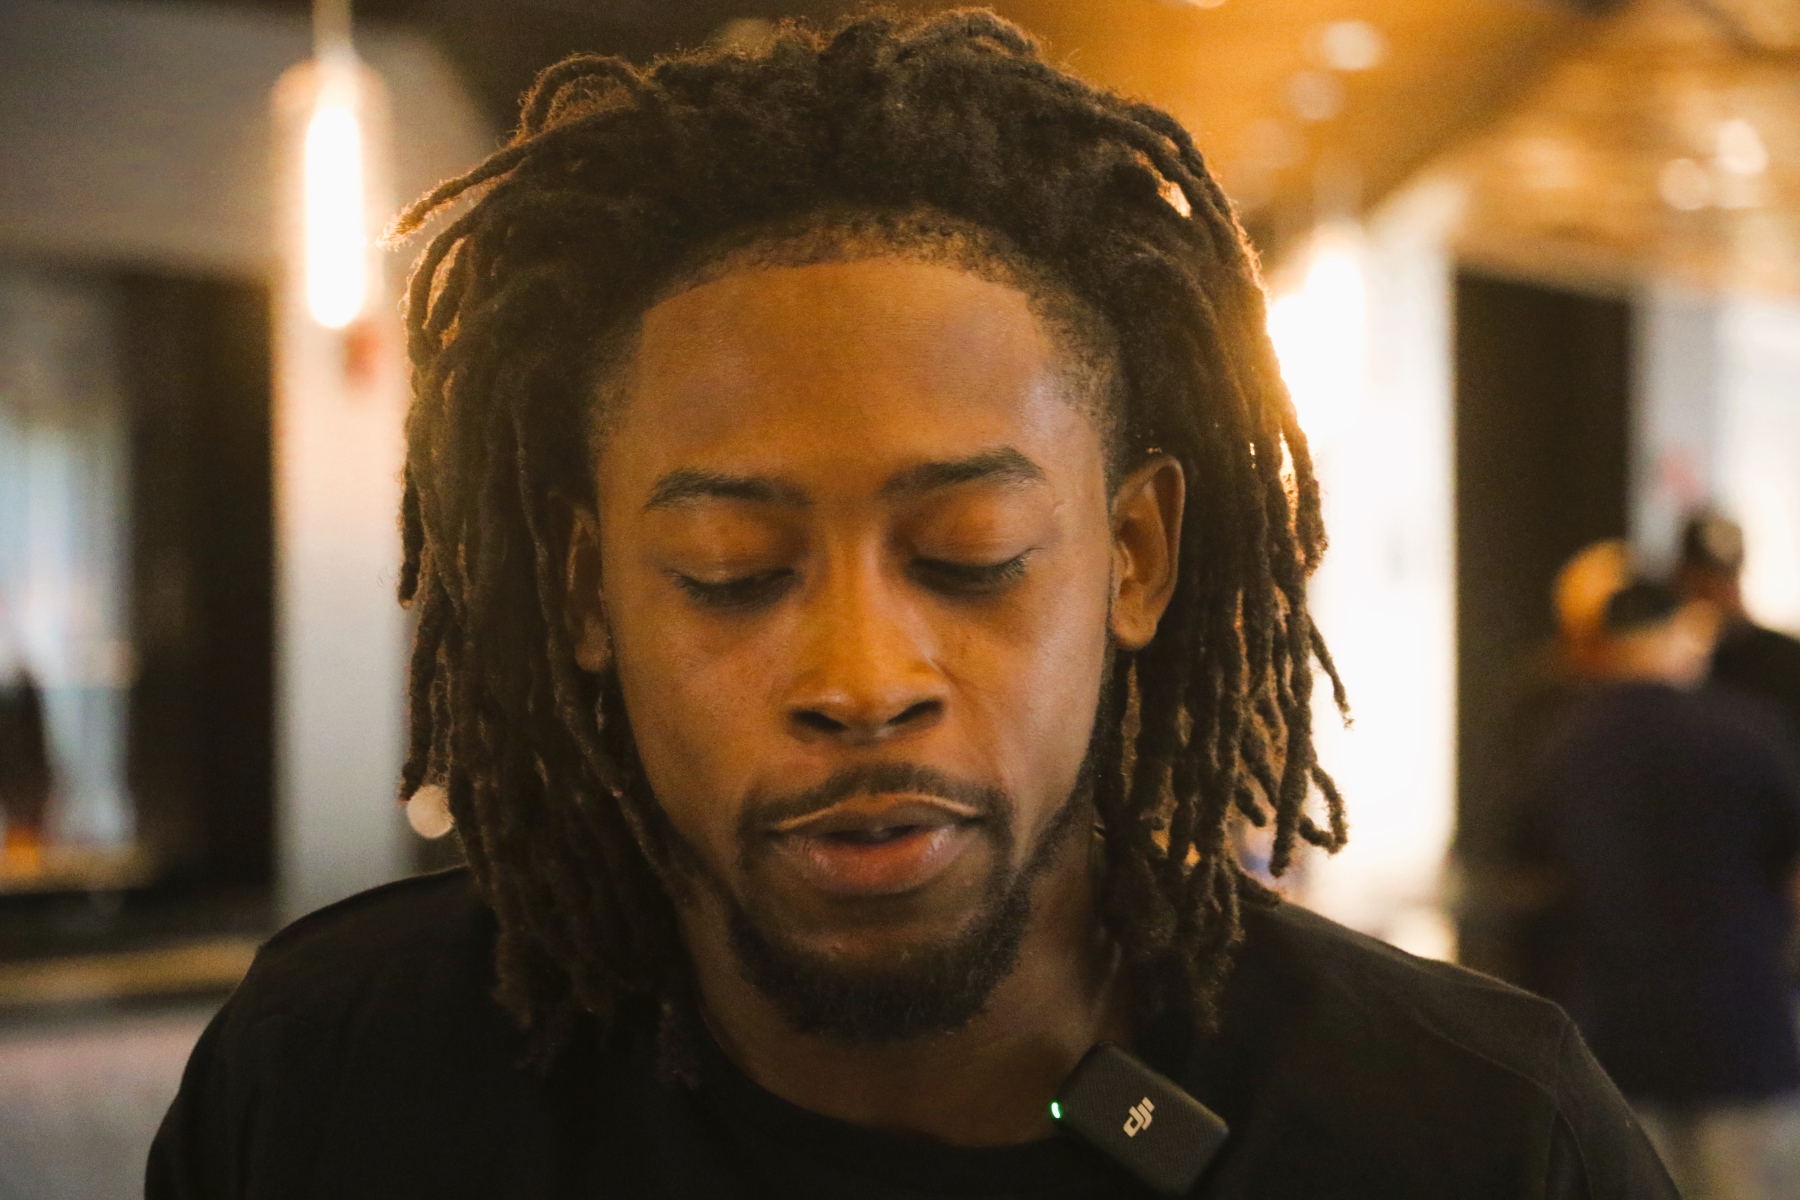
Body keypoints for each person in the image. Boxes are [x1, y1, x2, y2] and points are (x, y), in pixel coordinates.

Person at [148, 13, 1674, 1197]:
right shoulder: (338, 1088)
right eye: (731, 572)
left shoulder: (1470, 1142)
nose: (863, 678)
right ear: (586, 589)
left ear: (1135, 558)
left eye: (970, 554)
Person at [1523, 581, 1800, 1200]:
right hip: (1743, 1031)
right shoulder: (1748, 730)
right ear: (1683, 634)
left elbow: (1532, 882)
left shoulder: (1563, 744)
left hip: (1611, 1045)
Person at [1677, 508, 1800, 739]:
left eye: (1726, 579)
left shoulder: (1789, 660)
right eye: (1703, 581)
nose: (1716, 592)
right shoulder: (1668, 667)